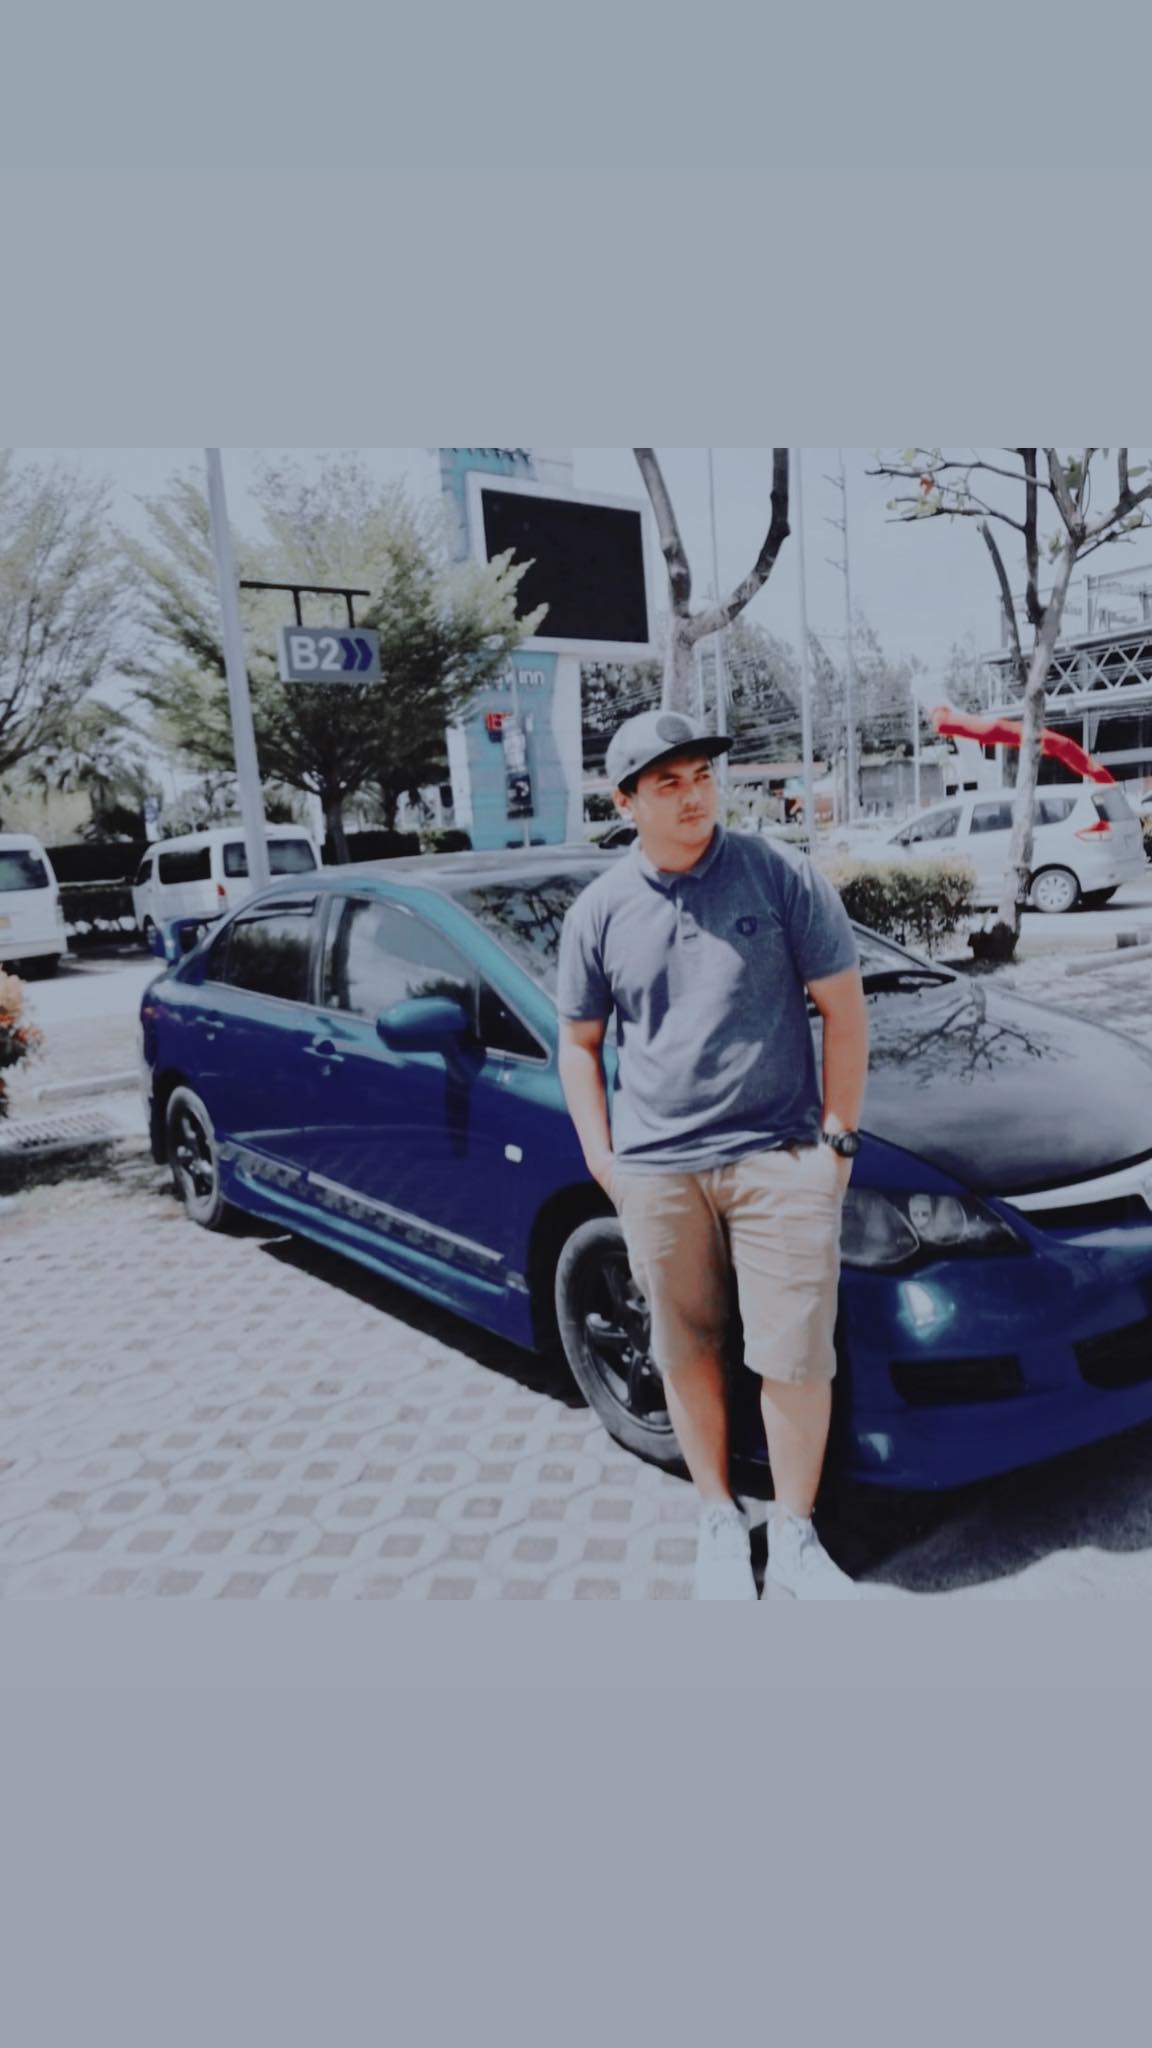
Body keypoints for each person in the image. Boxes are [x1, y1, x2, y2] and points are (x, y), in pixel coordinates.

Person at [556, 710, 870, 1600]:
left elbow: (845, 1011)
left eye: (701, 776)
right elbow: (578, 1043)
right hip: (658, 1170)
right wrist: (605, 1162)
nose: (694, 796)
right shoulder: (600, 912)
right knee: (684, 1346)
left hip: (778, 1155)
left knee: (795, 1353)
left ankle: (796, 1535)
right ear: (626, 802)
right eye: (668, 783)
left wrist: (836, 1144)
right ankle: (718, 1519)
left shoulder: (779, 875)